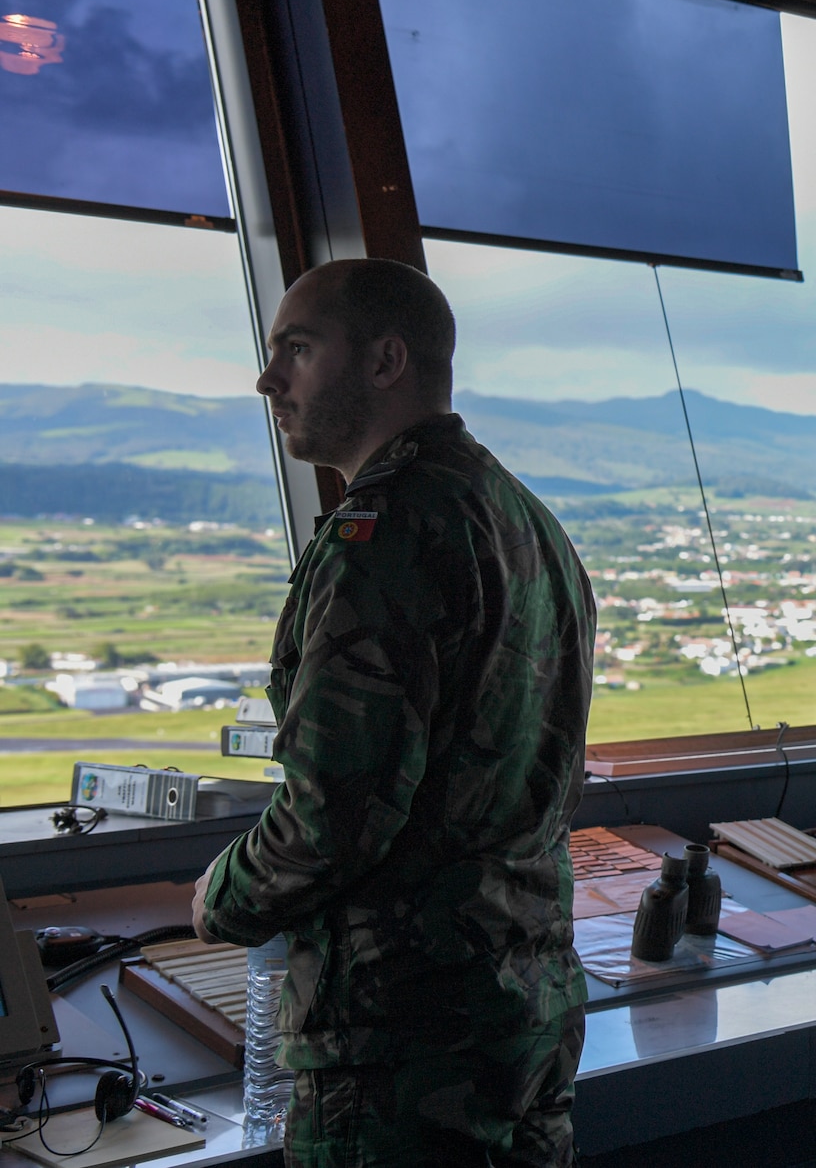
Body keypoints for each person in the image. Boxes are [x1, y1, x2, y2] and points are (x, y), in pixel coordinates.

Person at [190, 258, 596, 1167]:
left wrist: (218, 900)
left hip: (401, 1038)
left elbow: (331, 815)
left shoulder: (384, 535)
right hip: (523, 1003)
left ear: (385, 361)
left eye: (296, 349)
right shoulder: (525, 517)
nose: (268, 380)